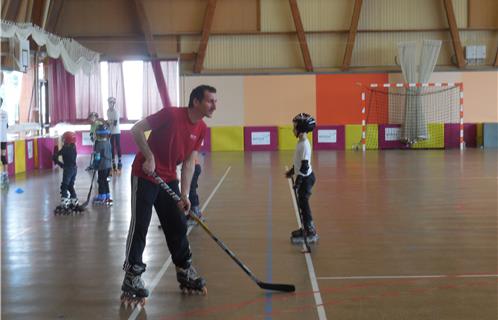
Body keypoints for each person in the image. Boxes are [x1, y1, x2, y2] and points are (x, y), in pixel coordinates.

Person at [121, 85, 216, 304]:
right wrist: (149, 156)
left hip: (168, 178)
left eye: (215, 101)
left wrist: (185, 194)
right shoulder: (171, 114)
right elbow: (136, 129)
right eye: (210, 101)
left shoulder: (201, 128)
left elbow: (190, 162)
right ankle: (132, 276)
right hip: (145, 175)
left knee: (177, 224)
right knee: (140, 226)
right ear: (196, 102)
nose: (214, 105)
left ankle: (184, 270)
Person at [285, 113, 318, 244]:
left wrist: (298, 181)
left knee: (304, 205)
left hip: (306, 179)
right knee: (302, 204)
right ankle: (305, 228)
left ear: (302, 128)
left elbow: (304, 167)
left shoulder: (304, 145)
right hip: (304, 178)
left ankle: (310, 231)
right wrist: (292, 171)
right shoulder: (301, 142)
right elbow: (299, 162)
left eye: (295, 127)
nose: (293, 129)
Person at [53, 131, 83, 214]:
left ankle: (64, 202)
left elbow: (57, 155)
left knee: (64, 186)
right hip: (74, 169)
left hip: (68, 170)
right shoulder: (74, 147)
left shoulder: (65, 149)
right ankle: (74, 200)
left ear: (66, 140)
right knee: (70, 186)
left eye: (64, 140)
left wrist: (57, 160)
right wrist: (60, 163)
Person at [92, 122, 113, 206]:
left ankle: (101, 196)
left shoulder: (99, 144)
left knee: (101, 181)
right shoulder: (108, 142)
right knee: (106, 181)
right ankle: (107, 195)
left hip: (102, 166)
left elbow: (97, 157)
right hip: (108, 166)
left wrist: (95, 165)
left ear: (98, 135)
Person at [186, 154, 204, 226]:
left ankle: (195, 215)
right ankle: (197, 213)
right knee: (192, 190)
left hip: (193, 168)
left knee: (191, 190)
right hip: (193, 167)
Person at [106, 97, 122, 174]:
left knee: (118, 145)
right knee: (111, 146)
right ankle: (113, 162)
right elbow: (109, 122)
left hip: (116, 131)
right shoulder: (108, 111)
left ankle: (119, 161)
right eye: (109, 102)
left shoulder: (116, 112)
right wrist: (107, 125)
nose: (110, 104)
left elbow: (115, 123)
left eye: (111, 102)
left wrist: (109, 122)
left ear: (113, 103)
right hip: (110, 131)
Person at [0, 97, 9, 189]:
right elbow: (6, 126)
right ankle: (5, 178)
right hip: (3, 139)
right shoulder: (5, 113)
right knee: (3, 157)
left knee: (2, 157)